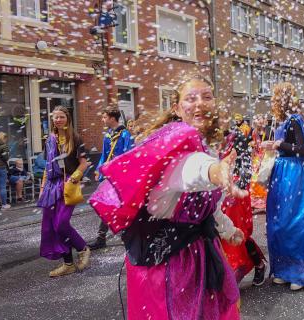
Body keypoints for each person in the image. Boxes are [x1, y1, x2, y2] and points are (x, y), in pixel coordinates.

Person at [88, 74, 243, 319]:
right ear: (177, 108)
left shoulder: (207, 146)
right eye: (190, 99)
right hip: (171, 261)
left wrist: (227, 228)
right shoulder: (173, 147)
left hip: (200, 250)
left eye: (207, 97)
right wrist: (214, 171)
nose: (200, 103)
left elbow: (209, 207)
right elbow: (189, 170)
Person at [262, 82, 304, 291]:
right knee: (277, 222)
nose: (275, 101)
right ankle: (283, 270)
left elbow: (303, 150)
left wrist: (277, 144)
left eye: (277, 97)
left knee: (292, 222)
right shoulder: (280, 121)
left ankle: (298, 274)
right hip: (280, 172)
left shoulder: (295, 120)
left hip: (292, 172)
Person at [37, 106, 92, 277]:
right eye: (55, 117)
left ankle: (83, 248)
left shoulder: (75, 138)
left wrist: (73, 179)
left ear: (67, 118)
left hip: (68, 184)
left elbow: (84, 163)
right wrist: (42, 187)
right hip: (51, 186)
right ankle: (68, 264)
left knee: (61, 223)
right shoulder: (49, 139)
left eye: (61, 117)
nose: (58, 120)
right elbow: (48, 166)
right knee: (51, 227)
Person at [220, 117, 266, 287]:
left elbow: (246, 165)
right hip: (218, 193)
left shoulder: (236, 137)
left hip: (235, 195)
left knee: (237, 232)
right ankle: (227, 274)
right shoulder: (206, 139)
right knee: (219, 234)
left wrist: (236, 187)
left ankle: (258, 264)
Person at [89, 107, 134, 251]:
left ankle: (128, 234)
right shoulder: (107, 135)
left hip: (121, 177)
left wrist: (123, 173)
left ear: (112, 118)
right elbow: (104, 155)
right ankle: (101, 238)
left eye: (104, 117)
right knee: (106, 205)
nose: (102, 120)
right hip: (109, 176)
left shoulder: (125, 134)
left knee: (122, 206)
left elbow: (128, 154)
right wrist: (99, 170)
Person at [250, 114, 269, 211]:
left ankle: (265, 203)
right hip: (257, 158)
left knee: (264, 180)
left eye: (262, 119)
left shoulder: (269, 131)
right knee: (254, 180)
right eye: (258, 120)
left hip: (266, 157)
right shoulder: (254, 132)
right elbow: (253, 147)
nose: (260, 121)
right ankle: (253, 203)